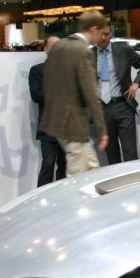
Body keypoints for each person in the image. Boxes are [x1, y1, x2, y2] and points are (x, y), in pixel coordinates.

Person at [40, 11, 109, 177]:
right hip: (73, 123)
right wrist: (102, 130)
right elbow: (91, 94)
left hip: (55, 119)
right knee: (76, 176)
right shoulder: (82, 51)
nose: (102, 38)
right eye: (101, 33)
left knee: (91, 168)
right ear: (93, 29)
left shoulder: (60, 46)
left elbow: (47, 81)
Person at [93, 25, 140, 164]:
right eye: (101, 34)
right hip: (102, 109)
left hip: (123, 105)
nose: (104, 37)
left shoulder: (123, 50)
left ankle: (134, 177)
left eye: (107, 34)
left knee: (130, 152)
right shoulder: (88, 55)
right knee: (111, 154)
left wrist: (136, 83)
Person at [28, 35, 66, 186]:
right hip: (48, 126)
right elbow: (36, 95)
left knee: (65, 166)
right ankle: (42, 197)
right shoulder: (37, 71)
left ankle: (63, 197)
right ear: (46, 49)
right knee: (48, 164)